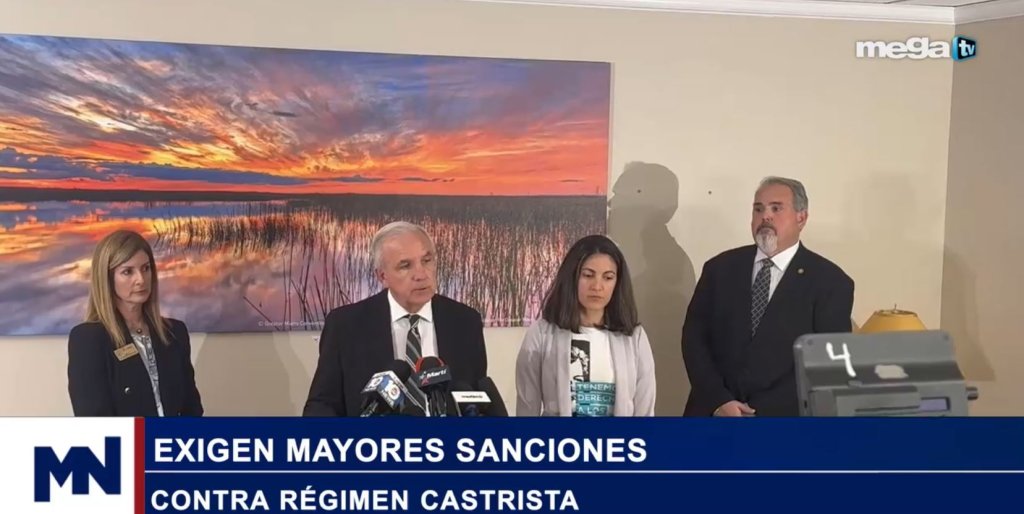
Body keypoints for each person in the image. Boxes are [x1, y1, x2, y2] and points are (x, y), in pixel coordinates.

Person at [681, 176, 854, 417]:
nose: (766, 217)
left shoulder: (830, 282)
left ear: (801, 217)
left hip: (783, 424)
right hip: (713, 413)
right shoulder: (719, 269)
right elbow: (694, 340)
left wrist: (762, 412)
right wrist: (719, 400)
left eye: (776, 208)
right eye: (758, 209)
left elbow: (827, 364)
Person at [303, 221, 488, 416]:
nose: (421, 274)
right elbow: (322, 405)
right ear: (382, 276)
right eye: (405, 266)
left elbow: (474, 400)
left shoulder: (465, 322)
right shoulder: (345, 325)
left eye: (427, 261)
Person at [516, 235, 656, 416]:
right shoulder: (541, 334)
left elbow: (645, 413)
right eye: (588, 275)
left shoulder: (634, 337)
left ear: (617, 283)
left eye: (608, 277)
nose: (597, 286)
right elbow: (527, 410)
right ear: (572, 277)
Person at [67, 229, 203, 416]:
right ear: (107, 278)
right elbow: (94, 420)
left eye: (145, 268)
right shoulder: (89, 339)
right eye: (128, 272)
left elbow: (192, 409)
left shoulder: (174, 332)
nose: (141, 279)